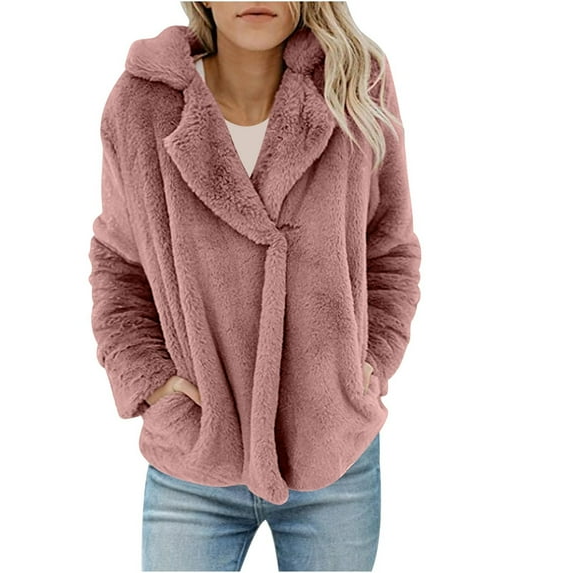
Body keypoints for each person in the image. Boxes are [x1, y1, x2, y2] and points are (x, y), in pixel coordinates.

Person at [88, 1, 421, 570]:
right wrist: (152, 384)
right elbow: (119, 265)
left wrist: (368, 366)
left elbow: (389, 247)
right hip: (196, 458)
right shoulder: (142, 104)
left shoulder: (353, 85)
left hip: (333, 455)